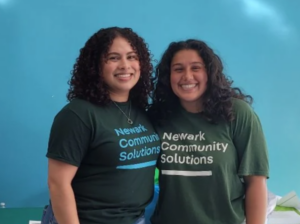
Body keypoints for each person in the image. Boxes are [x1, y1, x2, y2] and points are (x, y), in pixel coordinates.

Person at [42, 27, 161, 224]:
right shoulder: (78, 114)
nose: (125, 65)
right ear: (95, 66)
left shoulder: (141, 111)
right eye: (114, 58)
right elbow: (58, 183)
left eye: (132, 57)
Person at [149, 39, 269, 224]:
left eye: (196, 68)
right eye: (178, 69)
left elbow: (256, 182)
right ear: (168, 76)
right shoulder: (158, 117)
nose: (187, 76)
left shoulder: (237, 113)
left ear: (210, 74)